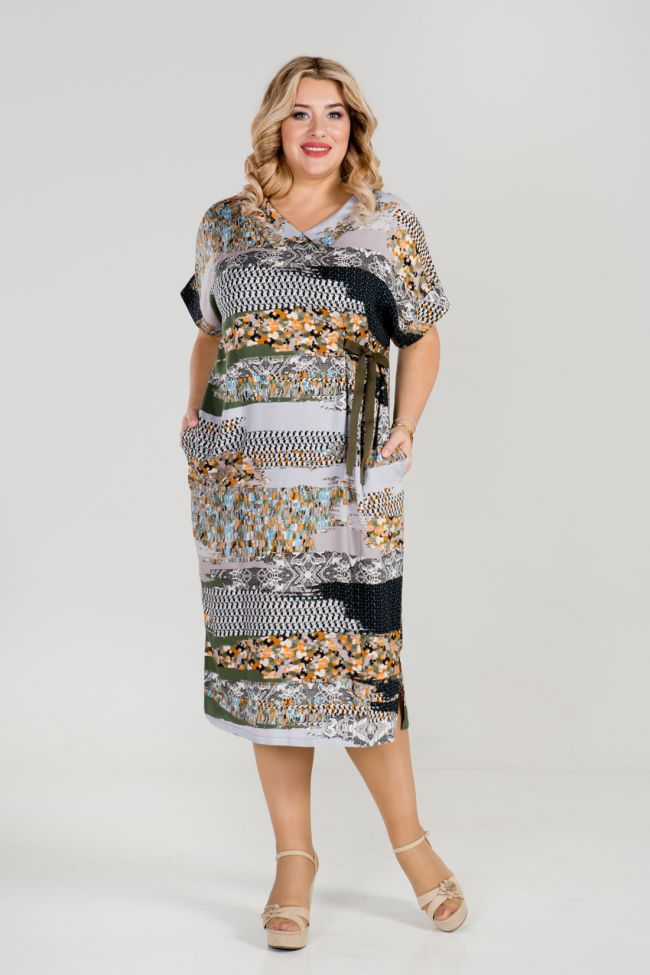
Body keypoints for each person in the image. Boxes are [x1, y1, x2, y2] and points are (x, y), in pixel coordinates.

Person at [179, 55, 467, 950]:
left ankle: (413, 846)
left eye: (334, 114)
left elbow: (422, 336)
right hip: (244, 484)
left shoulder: (388, 224)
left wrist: (405, 427)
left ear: (354, 128)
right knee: (271, 668)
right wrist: (191, 418)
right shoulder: (226, 223)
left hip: (346, 482)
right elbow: (210, 334)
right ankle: (293, 861)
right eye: (300, 113)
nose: (316, 129)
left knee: (360, 664)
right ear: (275, 124)